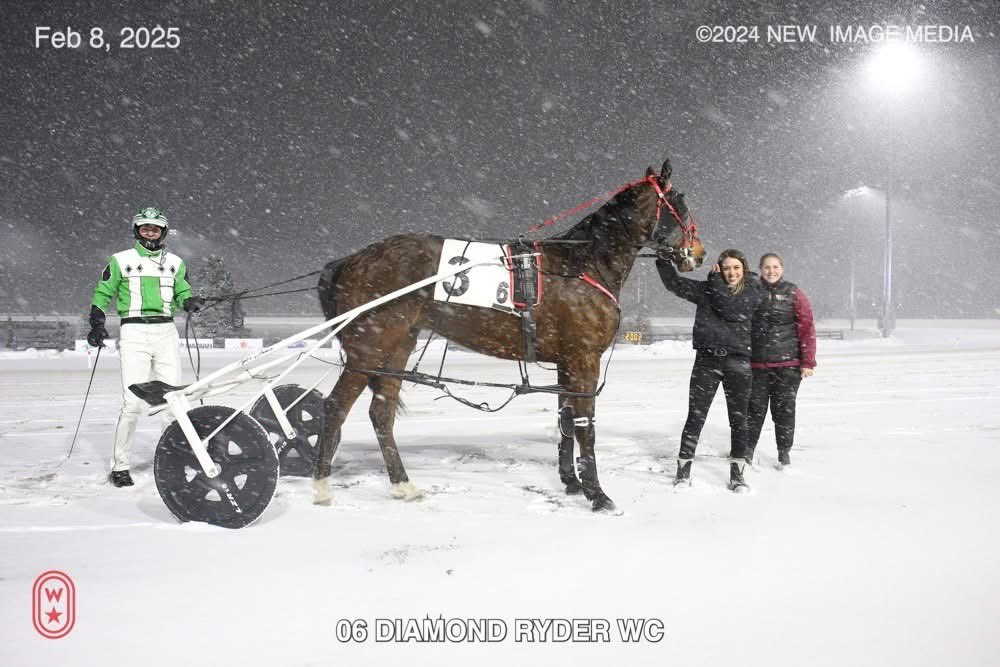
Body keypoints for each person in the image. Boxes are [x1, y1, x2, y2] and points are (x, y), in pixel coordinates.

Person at [87, 207, 205, 487]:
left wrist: (188, 302)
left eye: (155, 228)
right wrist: (96, 322)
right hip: (134, 332)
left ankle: (174, 461)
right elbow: (103, 293)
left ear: (163, 231)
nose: (150, 232)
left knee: (173, 401)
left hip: (166, 331)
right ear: (137, 231)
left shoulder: (176, 262)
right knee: (132, 403)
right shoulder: (120, 260)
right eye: (145, 228)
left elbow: (182, 293)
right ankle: (120, 467)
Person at [656, 249, 761, 492]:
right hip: (707, 361)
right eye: (726, 268)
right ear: (720, 269)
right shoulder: (706, 290)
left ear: (743, 269)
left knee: (738, 420)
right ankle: (683, 473)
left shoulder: (752, 291)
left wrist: (713, 281)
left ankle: (738, 476)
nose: (731, 272)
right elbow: (674, 284)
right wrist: (662, 260)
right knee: (696, 417)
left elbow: (732, 308)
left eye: (736, 267)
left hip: (738, 362)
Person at [747, 252, 816, 468]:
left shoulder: (793, 293)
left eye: (775, 266)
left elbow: (807, 327)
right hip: (756, 365)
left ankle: (784, 451)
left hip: (788, 365)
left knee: (784, 410)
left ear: (782, 269)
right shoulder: (751, 291)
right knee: (754, 410)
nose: (771, 271)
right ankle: (747, 450)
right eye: (767, 267)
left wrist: (808, 361)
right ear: (760, 269)